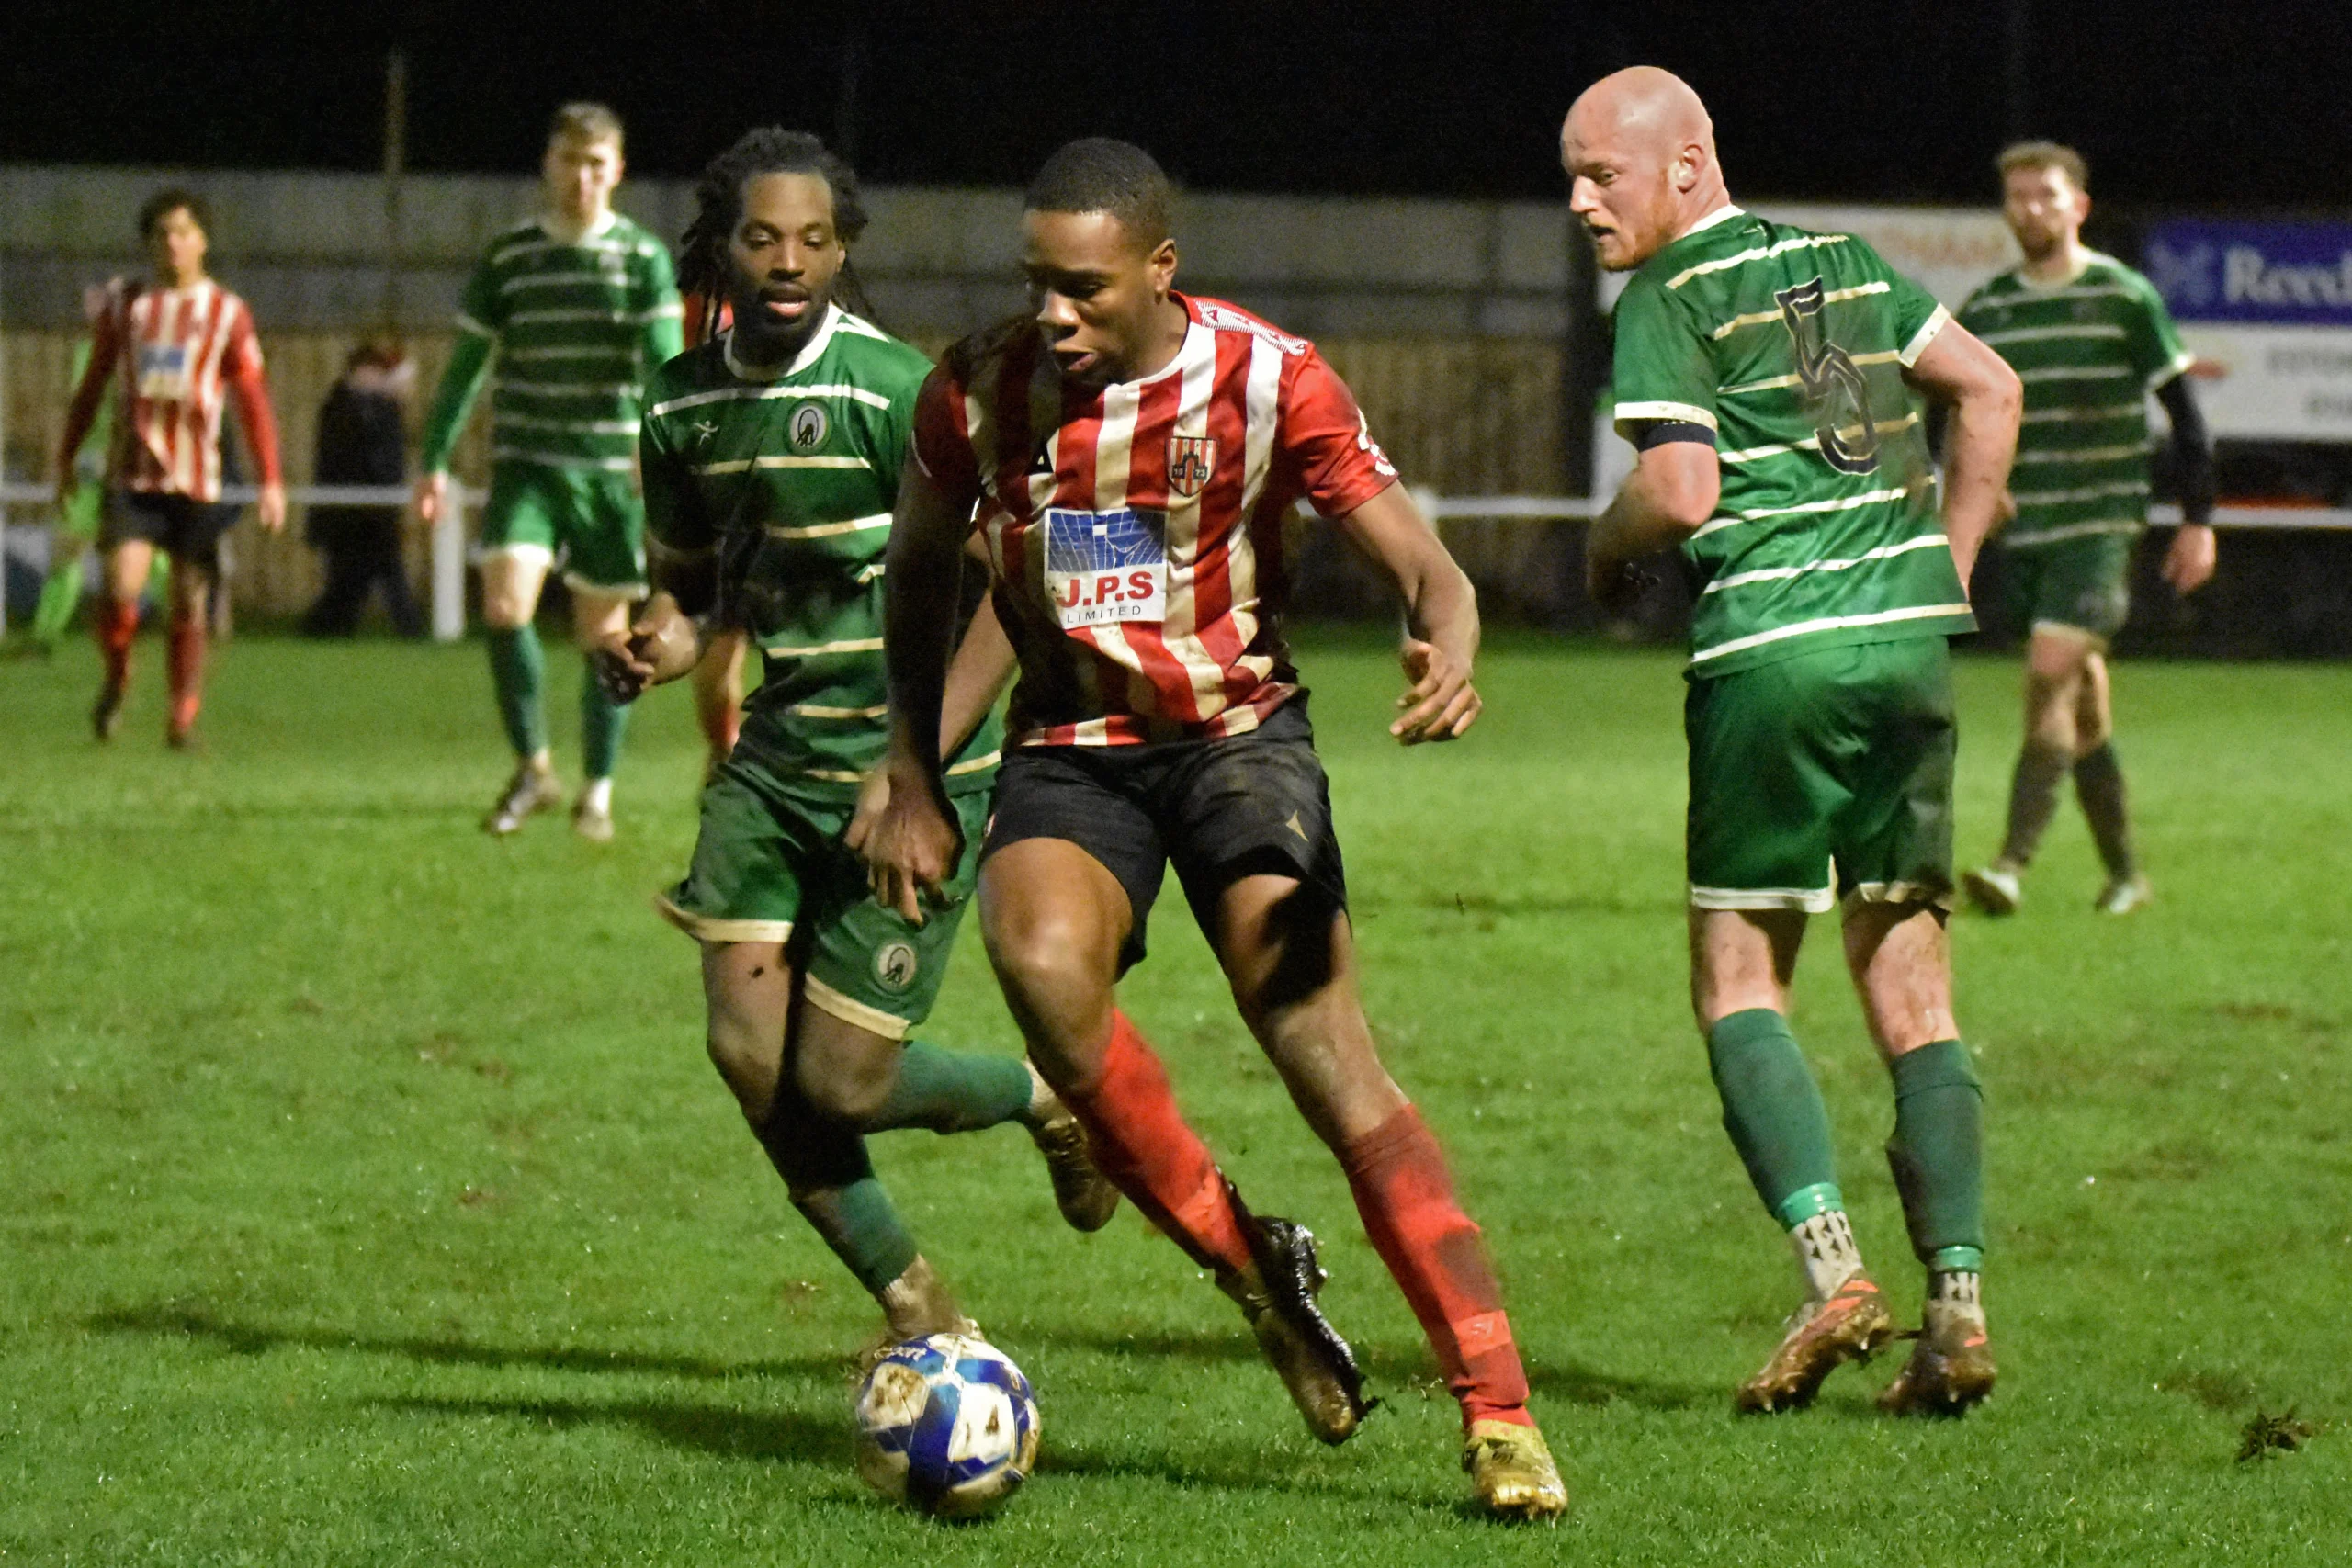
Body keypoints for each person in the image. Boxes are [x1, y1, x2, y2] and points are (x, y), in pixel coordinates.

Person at [856, 137, 1566, 1519]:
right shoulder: (976, 391)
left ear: (1160, 269)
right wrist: (909, 767)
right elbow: (923, 569)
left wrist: (1452, 637)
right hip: (1071, 746)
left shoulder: (1267, 374)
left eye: (1085, 286)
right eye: (1037, 282)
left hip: (1238, 738)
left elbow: (1427, 563)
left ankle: (1500, 1409)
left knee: (1316, 1042)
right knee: (1045, 978)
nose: (1053, 313)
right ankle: (1254, 1265)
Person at [592, 129, 1115, 1349]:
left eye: (816, 239)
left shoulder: (895, 395)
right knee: (746, 1051)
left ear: (843, 249)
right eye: (764, 238)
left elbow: (1008, 576)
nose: (790, 261)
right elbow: (692, 594)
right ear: (721, 245)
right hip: (776, 766)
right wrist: (650, 644)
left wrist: (918, 761)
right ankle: (913, 1297)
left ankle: (1045, 1097)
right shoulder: (679, 406)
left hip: (915, 776)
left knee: (843, 1081)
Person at [1565, 68, 2021, 1416]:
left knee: (1737, 979)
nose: (1585, 201)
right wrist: (1947, 570)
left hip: (1772, 656)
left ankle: (1834, 1276)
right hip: (1907, 657)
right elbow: (1986, 391)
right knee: (1914, 986)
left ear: (1691, 166)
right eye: (1573, 177)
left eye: (1607, 174)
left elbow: (1679, 485)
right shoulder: (1848, 262)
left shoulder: (1667, 297)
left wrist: (1600, 552)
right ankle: (1958, 1307)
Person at [1956, 142, 2218, 918]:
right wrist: (1980, 487)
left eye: (2045, 194)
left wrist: (2198, 522)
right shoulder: (1993, 307)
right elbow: (1955, 408)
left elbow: (2187, 418)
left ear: (2079, 207)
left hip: (2103, 521)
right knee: (2083, 703)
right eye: (2017, 195)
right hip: (2030, 530)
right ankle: (2127, 875)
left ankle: (2009, 864)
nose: (2029, 208)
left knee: (2047, 670)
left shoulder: (2123, 295)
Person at [414, 102, 684, 841]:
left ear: (617, 172)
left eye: (598, 165)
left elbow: (663, 364)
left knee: (606, 639)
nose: (582, 179)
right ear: (548, 164)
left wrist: (657, 448)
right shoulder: (510, 257)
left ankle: (596, 790)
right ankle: (535, 766)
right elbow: (468, 367)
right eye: (571, 162)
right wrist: (434, 458)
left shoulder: (641, 259)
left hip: (607, 474)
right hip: (527, 464)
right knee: (504, 607)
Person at [57, 189, 287, 748]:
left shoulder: (227, 313)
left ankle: (181, 719)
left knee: (188, 597)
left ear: (203, 240)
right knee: (120, 586)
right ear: (148, 244)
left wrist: (270, 478)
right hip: (134, 475)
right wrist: (66, 454)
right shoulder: (126, 306)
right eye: (161, 234)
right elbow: (93, 386)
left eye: (183, 232)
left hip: (199, 479)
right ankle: (117, 679)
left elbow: (252, 399)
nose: (172, 243)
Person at [304, 339, 424, 638]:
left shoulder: (382, 409)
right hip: (346, 513)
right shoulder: (341, 406)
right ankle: (327, 628)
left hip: (376, 512)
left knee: (372, 576)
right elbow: (353, 457)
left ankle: (405, 629)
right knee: (351, 580)